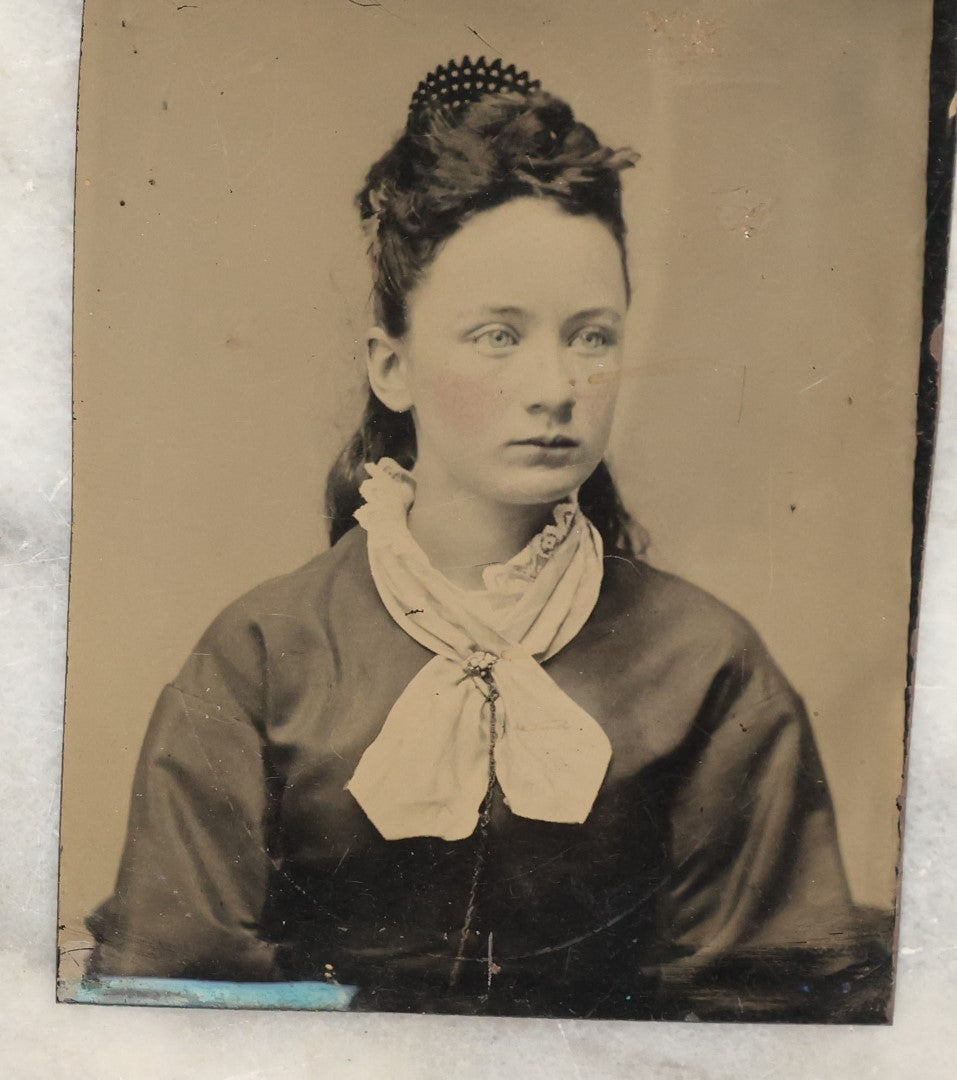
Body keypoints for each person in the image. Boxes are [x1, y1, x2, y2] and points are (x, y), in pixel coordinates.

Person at [85, 56, 892, 1021]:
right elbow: (173, 1005)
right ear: (393, 365)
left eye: (590, 336)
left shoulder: (708, 669)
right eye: (497, 335)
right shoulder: (263, 660)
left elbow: (771, 1021)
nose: (554, 385)